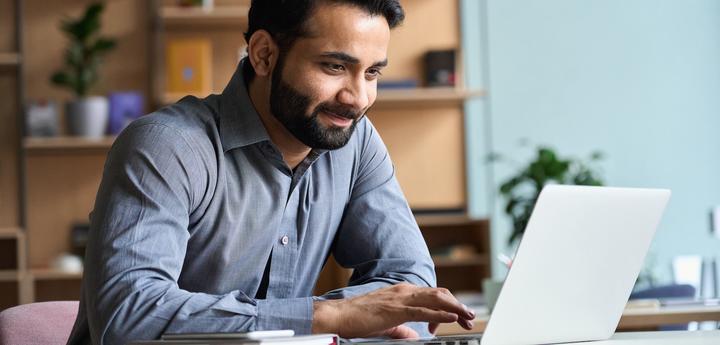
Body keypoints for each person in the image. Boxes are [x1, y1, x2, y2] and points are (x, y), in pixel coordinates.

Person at [67, 1, 475, 344]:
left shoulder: (356, 141)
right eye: (335, 67)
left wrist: (347, 318)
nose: (358, 98)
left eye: (372, 73)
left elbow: (411, 282)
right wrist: (327, 317)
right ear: (263, 54)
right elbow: (129, 316)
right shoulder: (166, 145)